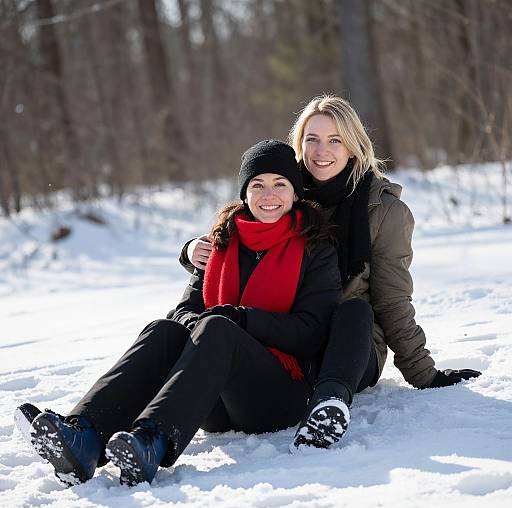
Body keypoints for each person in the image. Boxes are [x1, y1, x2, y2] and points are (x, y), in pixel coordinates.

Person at [13, 140, 341, 486]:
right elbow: (184, 310)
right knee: (164, 330)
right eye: (257, 185)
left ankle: (150, 442)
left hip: (278, 394)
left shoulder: (315, 247)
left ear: (294, 193)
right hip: (212, 398)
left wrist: (242, 320)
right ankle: (84, 437)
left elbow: (313, 332)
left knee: (218, 326)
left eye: (280, 184)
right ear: (245, 193)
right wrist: (201, 325)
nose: (268, 194)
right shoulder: (222, 242)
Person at [178, 95, 481, 452]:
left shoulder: (384, 212)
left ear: (353, 147)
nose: (322, 151)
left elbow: (392, 300)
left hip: (346, 345)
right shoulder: (283, 190)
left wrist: (424, 374)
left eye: (335, 140)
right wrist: (191, 252)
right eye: (312, 139)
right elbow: (241, 244)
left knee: (354, 310)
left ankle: (327, 408)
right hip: (284, 335)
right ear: (299, 145)